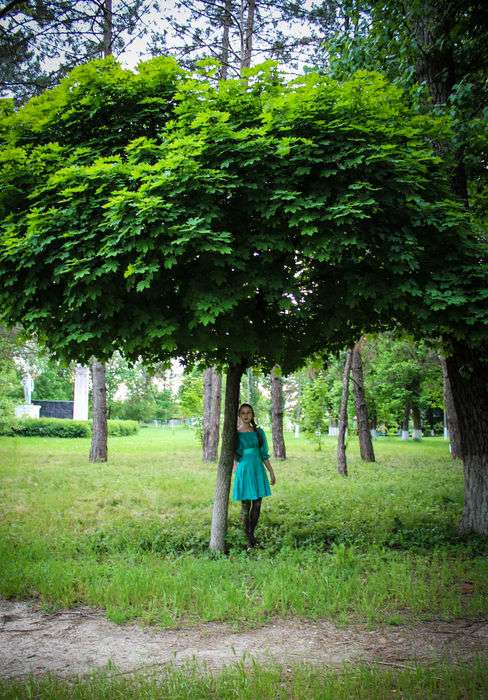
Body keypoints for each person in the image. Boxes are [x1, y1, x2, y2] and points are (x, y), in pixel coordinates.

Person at [232, 403, 276, 548]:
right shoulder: (236, 434)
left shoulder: (259, 432)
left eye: (249, 413)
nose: (246, 415)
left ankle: (251, 534)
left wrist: (271, 471)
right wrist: (235, 469)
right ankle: (248, 539)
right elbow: (235, 455)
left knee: (257, 504)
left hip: (258, 470)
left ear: (252, 415)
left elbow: (264, 454)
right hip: (245, 471)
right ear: (239, 415)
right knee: (246, 505)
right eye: (243, 413)